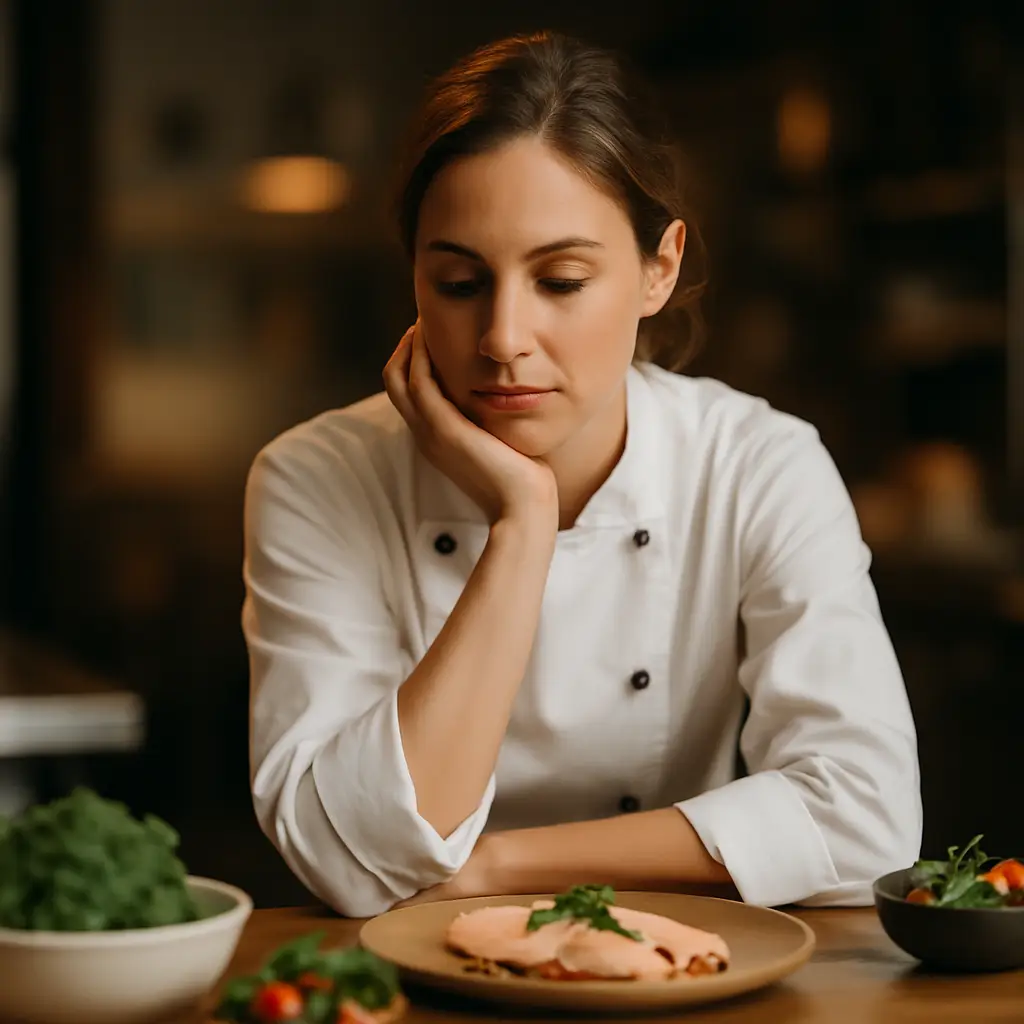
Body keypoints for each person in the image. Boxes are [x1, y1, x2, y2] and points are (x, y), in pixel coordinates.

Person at [243, 31, 922, 918]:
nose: (502, 337)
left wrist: (491, 867)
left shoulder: (756, 465)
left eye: (560, 280)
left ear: (658, 269)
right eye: (458, 283)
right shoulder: (317, 477)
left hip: (677, 964)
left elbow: (868, 816)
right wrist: (523, 527)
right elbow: (344, 858)